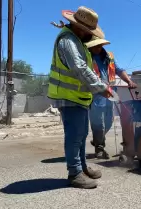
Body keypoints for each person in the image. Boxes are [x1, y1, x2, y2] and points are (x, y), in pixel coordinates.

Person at [47, 6, 113, 189]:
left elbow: (86, 69)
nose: (90, 35)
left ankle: (82, 167)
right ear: (80, 28)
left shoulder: (77, 41)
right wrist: (101, 87)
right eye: (88, 31)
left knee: (82, 134)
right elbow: (80, 68)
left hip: (79, 97)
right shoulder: (68, 41)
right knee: (75, 135)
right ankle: (75, 173)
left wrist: (99, 85)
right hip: (68, 97)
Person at [85, 36, 137, 159]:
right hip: (96, 94)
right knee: (98, 122)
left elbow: (119, 70)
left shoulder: (109, 57)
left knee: (109, 121)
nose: (97, 48)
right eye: (94, 46)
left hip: (110, 93)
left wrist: (129, 81)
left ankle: (98, 139)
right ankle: (100, 147)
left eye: (99, 45)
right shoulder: (87, 57)